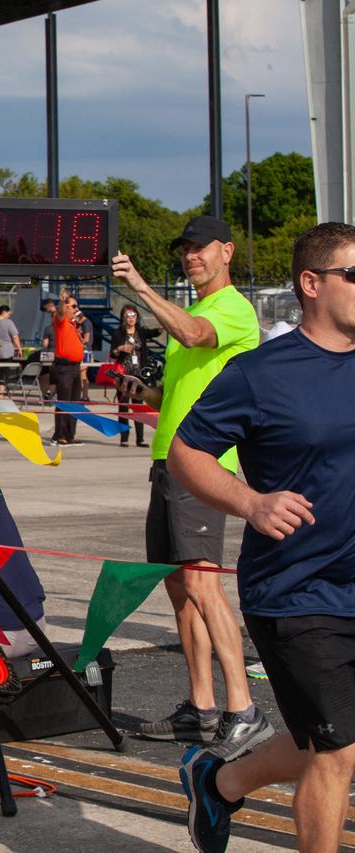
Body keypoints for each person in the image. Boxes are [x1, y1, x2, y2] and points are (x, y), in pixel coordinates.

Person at [170, 222, 355, 853]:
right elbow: (185, 452)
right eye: (354, 274)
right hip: (298, 590)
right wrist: (250, 500)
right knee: (337, 752)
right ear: (311, 283)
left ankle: (218, 784)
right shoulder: (261, 373)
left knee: (317, 741)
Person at [111, 215, 271, 757]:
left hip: (204, 465)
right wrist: (143, 391)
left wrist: (138, 287)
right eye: (185, 249)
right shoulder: (197, 308)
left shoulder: (231, 309)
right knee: (180, 589)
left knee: (204, 584)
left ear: (227, 251)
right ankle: (201, 706)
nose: (191, 256)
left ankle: (243, 708)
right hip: (169, 462)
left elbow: (193, 335)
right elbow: (177, 388)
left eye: (200, 248)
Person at [108, 305, 158, 448]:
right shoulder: (117, 333)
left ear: (137, 317)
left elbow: (154, 332)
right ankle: (124, 438)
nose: (131, 318)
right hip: (123, 374)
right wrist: (120, 349)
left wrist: (163, 325)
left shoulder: (141, 332)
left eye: (133, 315)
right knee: (124, 406)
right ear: (123, 318)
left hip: (139, 374)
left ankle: (140, 438)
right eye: (128, 315)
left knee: (138, 406)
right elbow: (112, 353)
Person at [48, 288, 84, 447]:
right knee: (64, 402)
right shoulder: (60, 321)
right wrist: (62, 301)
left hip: (75, 368)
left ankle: (70, 434)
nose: (77, 309)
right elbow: (60, 312)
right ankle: (59, 435)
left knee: (75, 402)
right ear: (67, 307)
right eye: (74, 306)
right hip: (65, 367)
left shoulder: (72, 325)